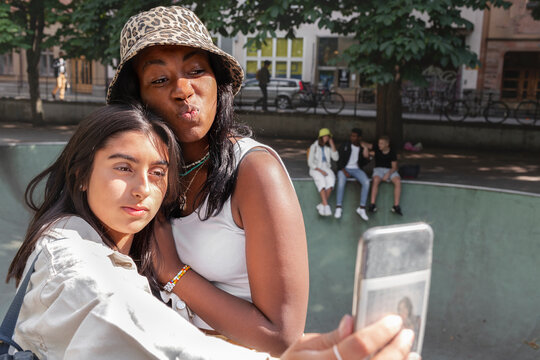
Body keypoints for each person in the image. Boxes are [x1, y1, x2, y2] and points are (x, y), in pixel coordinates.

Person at [5, 104, 418, 360]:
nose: (142, 189)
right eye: (123, 167)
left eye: (157, 172)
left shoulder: (120, 247)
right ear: (80, 175)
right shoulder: (70, 257)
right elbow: (137, 331)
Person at [107, 6, 308, 355]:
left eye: (196, 70)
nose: (183, 90)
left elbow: (281, 335)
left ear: (217, 81)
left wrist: (173, 271)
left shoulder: (254, 171)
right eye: (159, 80)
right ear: (137, 101)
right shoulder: (149, 174)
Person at [334, 128, 371, 220]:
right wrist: (344, 170)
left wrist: (367, 156)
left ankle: (361, 208)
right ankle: (338, 207)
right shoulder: (345, 145)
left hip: (356, 170)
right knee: (341, 182)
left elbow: (363, 163)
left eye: (354, 136)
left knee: (366, 182)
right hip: (344, 169)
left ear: (359, 138)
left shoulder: (361, 148)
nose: (352, 137)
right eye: (351, 135)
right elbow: (339, 160)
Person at [367, 135, 403, 215]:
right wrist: (364, 148)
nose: (379, 145)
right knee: (376, 180)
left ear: (387, 144)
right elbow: (367, 150)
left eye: (381, 143)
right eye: (379, 143)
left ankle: (396, 206)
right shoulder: (377, 150)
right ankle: (372, 204)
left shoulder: (392, 152)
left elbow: (394, 167)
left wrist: (388, 174)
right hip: (378, 169)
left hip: (390, 170)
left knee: (397, 181)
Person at [308, 128, 339, 217]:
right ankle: (326, 205)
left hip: (326, 168)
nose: (327, 138)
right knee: (321, 180)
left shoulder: (327, 148)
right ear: (321, 137)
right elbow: (310, 163)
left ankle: (322, 204)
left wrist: (332, 145)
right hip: (316, 169)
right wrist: (320, 171)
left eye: (328, 137)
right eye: (325, 136)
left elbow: (336, 158)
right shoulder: (313, 147)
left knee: (331, 180)